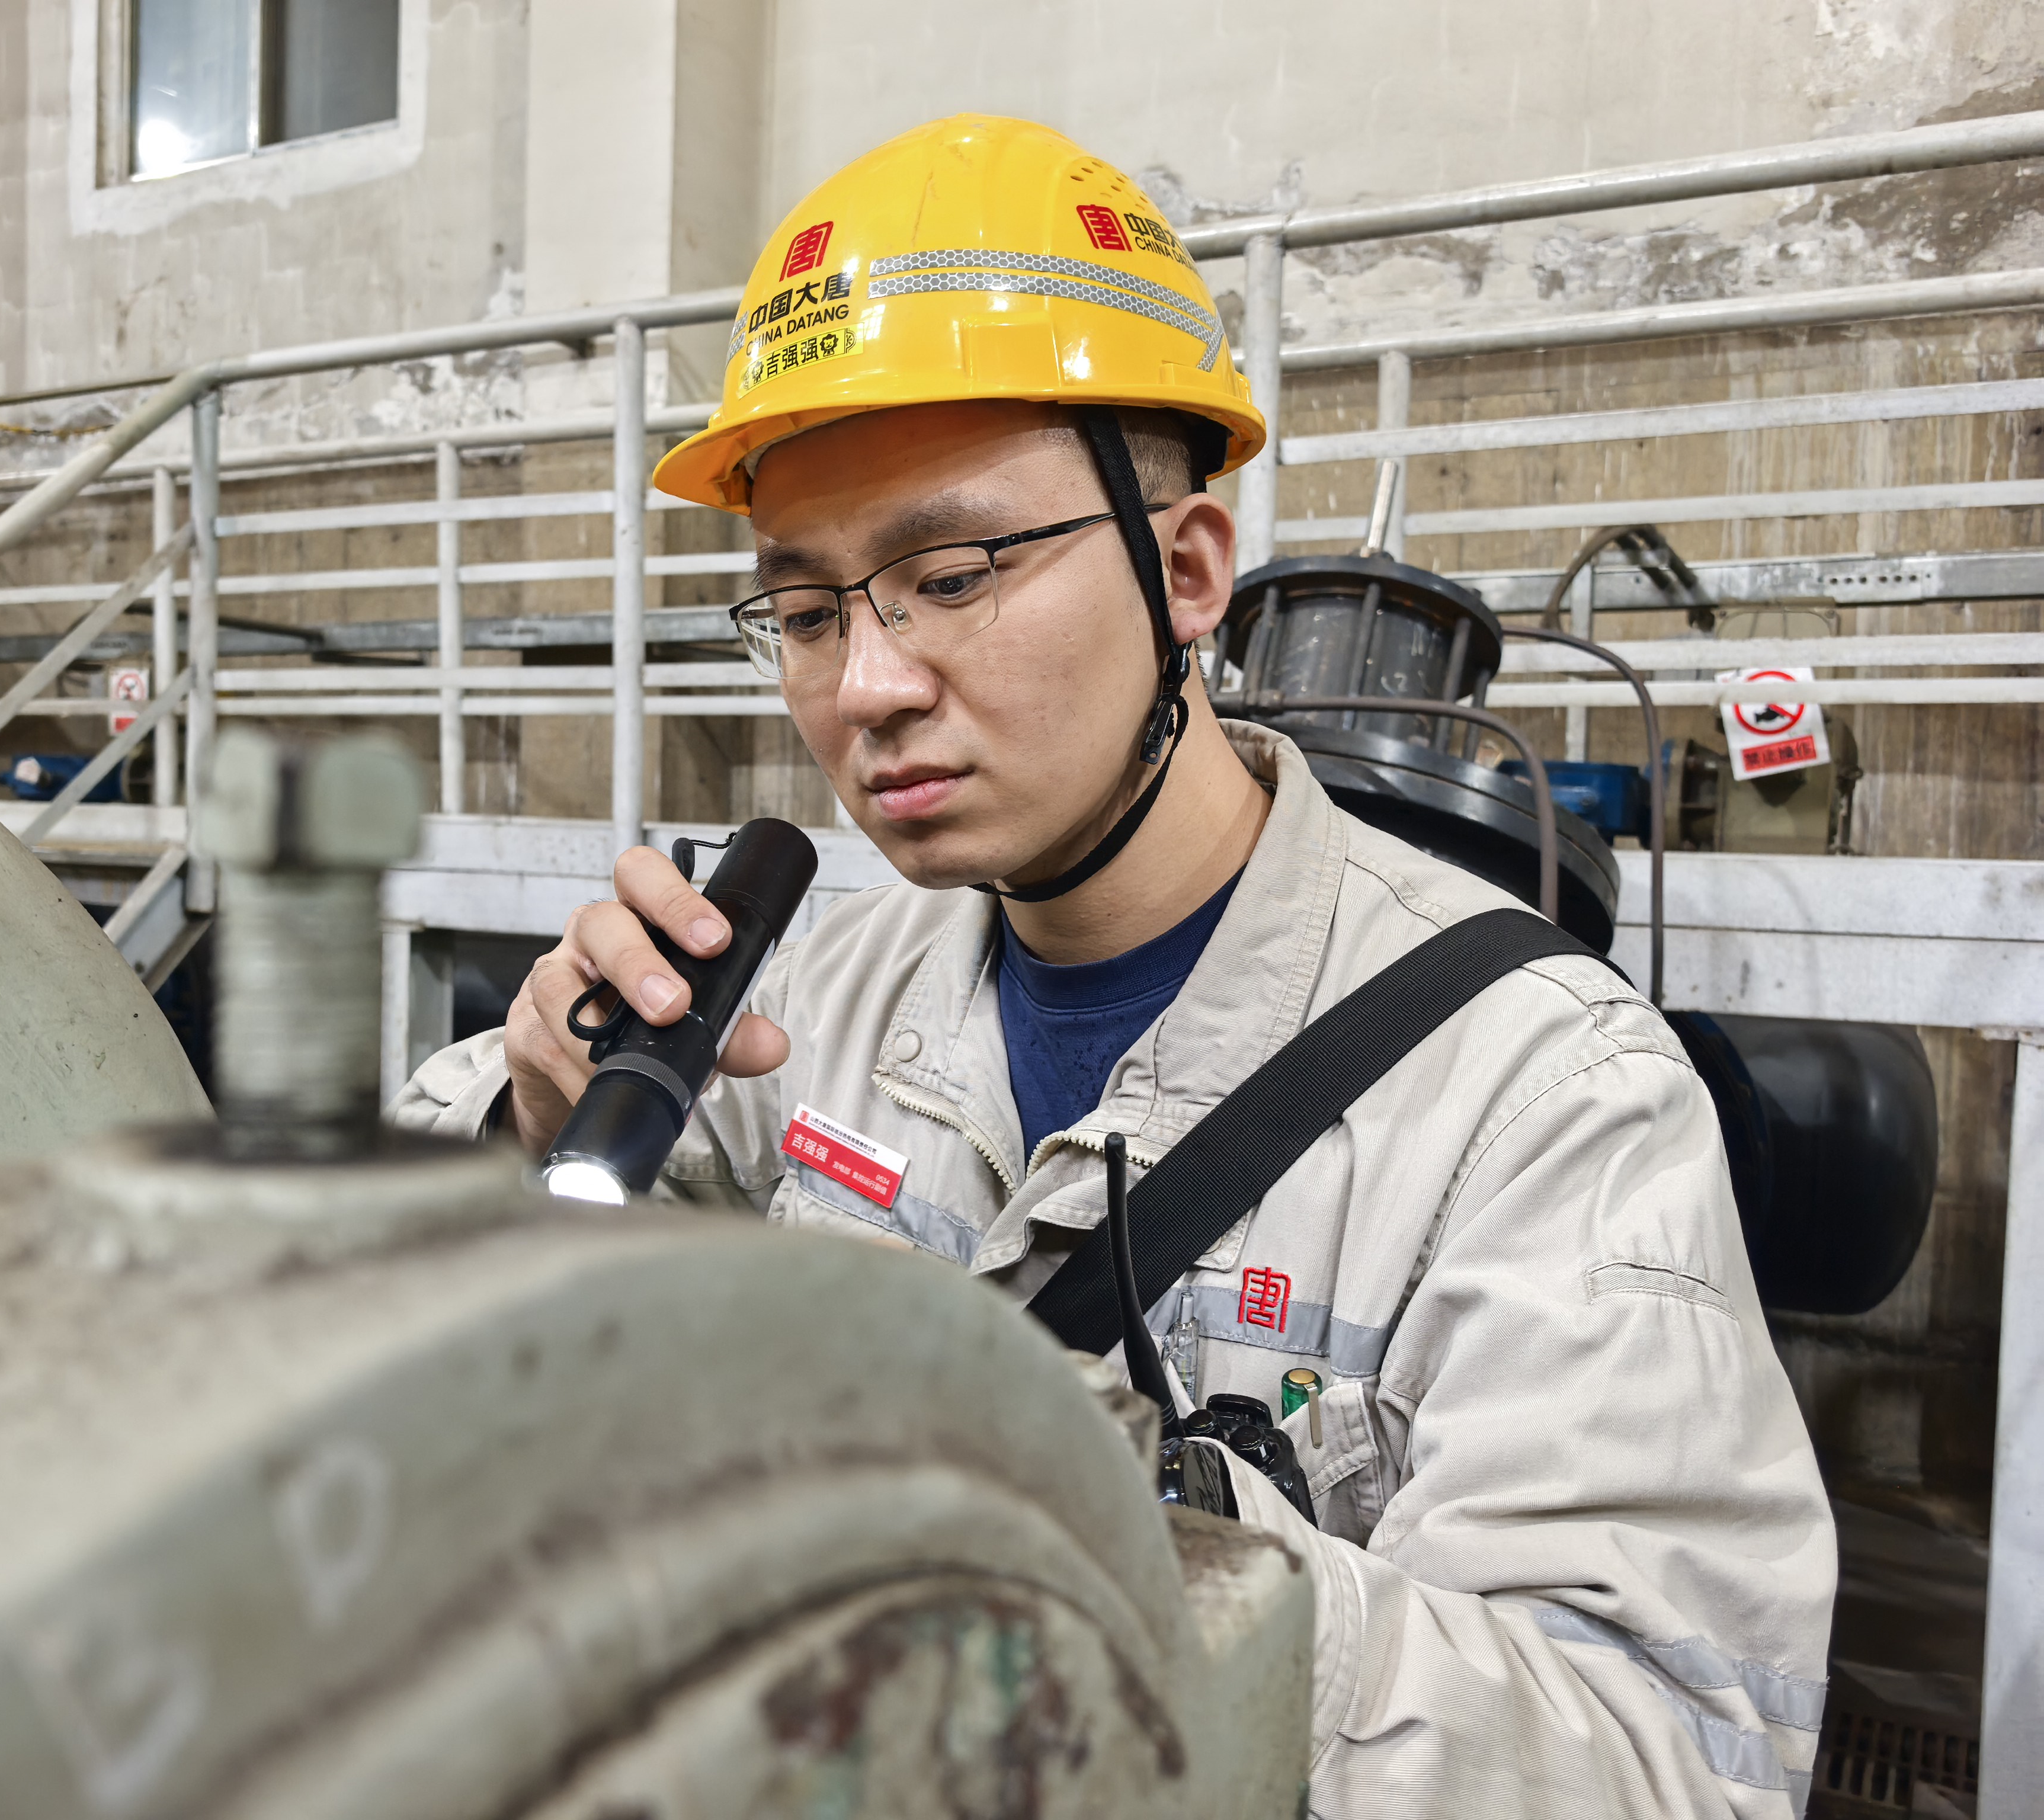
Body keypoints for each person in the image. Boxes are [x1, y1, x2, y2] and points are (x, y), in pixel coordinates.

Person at [394, 115, 1833, 1819]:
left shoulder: (1539, 1098)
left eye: (950, 578)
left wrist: (1135, 1544)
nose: (866, 688)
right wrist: (530, 1122)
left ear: (1187, 571)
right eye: (808, 612)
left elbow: (1670, 1765)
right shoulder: (815, 1005)